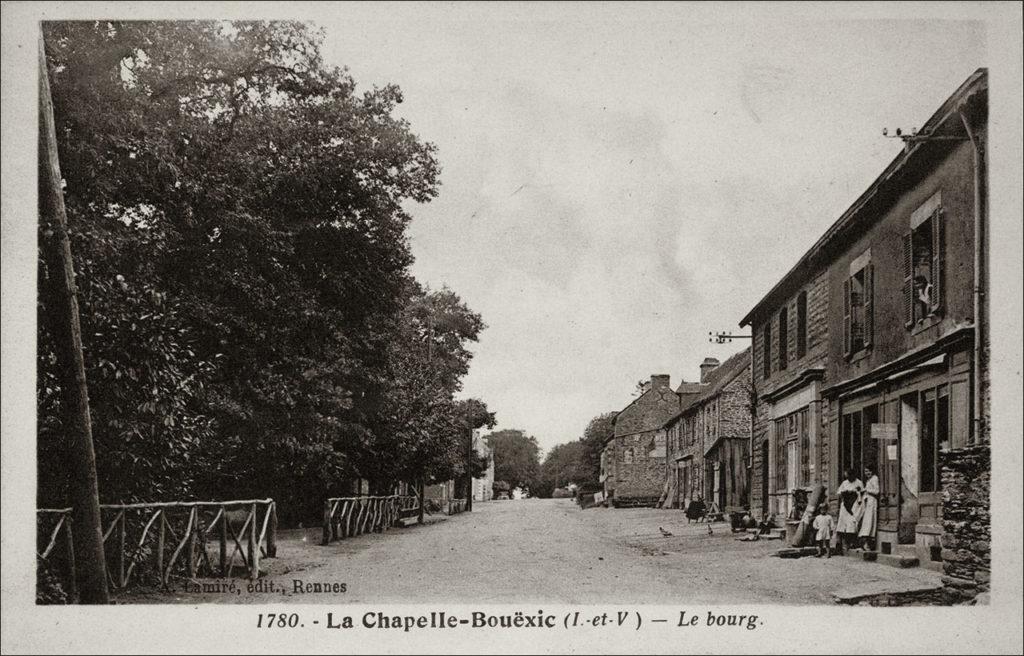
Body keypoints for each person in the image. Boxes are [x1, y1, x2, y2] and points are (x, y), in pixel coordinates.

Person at [835, 468, 864, 551]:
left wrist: (856, 493)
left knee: (852, 523)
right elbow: (839, 492)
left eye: (849, 477)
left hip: (855, 505)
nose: (848, 479)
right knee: (842, 523)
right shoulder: (845, 483)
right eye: (847, 477)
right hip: (845, 505)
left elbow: (862, 493)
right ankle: (841, 543)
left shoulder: (859, 482)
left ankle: (852, 542)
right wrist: (846, 492)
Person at [860, 466, 880, 551]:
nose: (867, 473)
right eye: (865, 471)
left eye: (869, 471)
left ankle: (867, 543)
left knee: (869, 522)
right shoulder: (869, 480)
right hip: (868, 502)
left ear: (872, 471)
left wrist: (867, 490)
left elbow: (877, 491)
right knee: (866, 522)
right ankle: (865, 542)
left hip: (872, 502)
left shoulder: (875, 478)